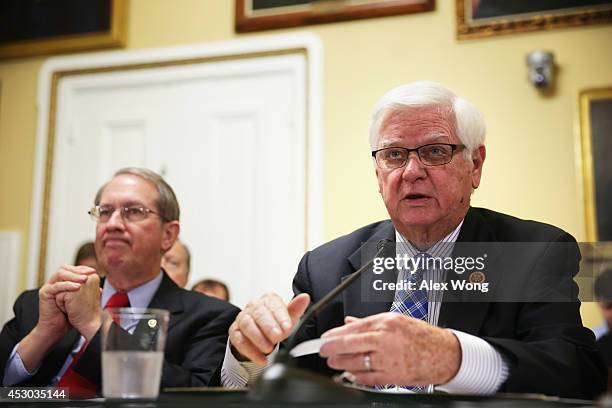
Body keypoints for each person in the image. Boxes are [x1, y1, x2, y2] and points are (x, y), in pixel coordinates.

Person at [221, 81, 606, 399]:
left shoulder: (535, 250)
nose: (411, 172)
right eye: (394, 155)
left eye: (435, 151)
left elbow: (577, 372)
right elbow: (286, 384)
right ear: (377, 172)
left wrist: (452, 359)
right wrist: (249, 353)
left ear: (475, 165)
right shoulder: (326, 266)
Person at [0, 168, 239, 397]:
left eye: (133, 211)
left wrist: (95, 325)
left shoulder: (210, 318)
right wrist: (43, 335)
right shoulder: (38, 303)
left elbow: (190, 399)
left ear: (168, 235)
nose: (112, 223)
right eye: (104, 212)